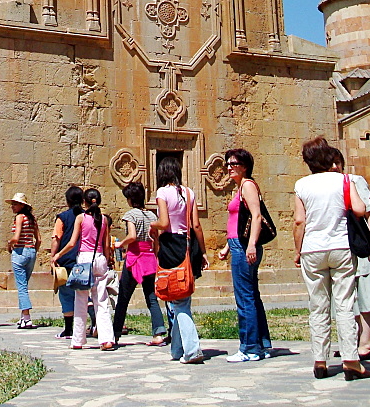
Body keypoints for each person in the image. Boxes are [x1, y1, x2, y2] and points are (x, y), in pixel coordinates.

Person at [293, 136, 370, 381]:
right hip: (340, 246)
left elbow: (299, 221)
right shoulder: (344, 180)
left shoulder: (302, 185)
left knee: (318, 305)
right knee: (345, 303)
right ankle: (350, 361)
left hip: (312, 248)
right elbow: (360, 209)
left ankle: (320, 360)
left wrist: (298, 251)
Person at [151, 155, 210, 364]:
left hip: (170, 246)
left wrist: (153, 225)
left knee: (179, 301)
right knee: (181, 296)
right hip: (187, 245)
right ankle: (177, 349)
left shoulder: (162, 193)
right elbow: (196, 225)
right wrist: (202, 251)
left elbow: (164, 222)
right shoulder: (189, 193)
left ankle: (192, 350)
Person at [217, 148, 272, 361]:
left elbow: (256, 216)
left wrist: (250, 245)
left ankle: (249, 348)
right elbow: (239, 223)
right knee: (252, 295)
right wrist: (227, 247)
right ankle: (262, 344)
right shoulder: (239, 187)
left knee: (244, 297)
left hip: (244, 247)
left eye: (234, 164)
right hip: (237, 244)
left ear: (245, 166)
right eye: (228, 164)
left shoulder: (247, 185)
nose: (229, 167)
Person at [329, 147, 370, 359]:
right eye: (330, 163)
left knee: (366, 291)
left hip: (361, 244)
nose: (334, 167)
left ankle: (368, 341)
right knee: (348, 296)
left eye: (337, 162)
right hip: (342, 247)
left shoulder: (354, 180)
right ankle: (356, 339)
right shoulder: (328, 186)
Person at [51, 187, 116, 351]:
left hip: (84, 260)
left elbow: (73, 243)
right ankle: (106, 339)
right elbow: (106, 244)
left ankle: (78, 339)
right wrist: (109, 260)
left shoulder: (81, 218)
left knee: (80, 300)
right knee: (101, 301)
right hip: (100, 258)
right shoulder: (104, 220)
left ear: (84, 202)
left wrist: (58, 254)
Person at [112, 181, 166, 346]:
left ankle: (115, 333)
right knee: (151, 296)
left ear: (130, 199)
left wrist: (121, 244)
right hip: (149, 256)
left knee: (123, 297)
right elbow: (156, 238)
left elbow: (133, 236)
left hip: (134, 257)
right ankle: (158, 332)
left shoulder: (131, 215)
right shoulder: (152, 216)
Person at [50, 185, 84, 339]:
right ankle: (91, 325)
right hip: (83, 259)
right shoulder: (88, 216)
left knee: (65, 294)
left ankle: (69, 329)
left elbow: (56, 238)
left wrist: (53, 256)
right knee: (84, 294)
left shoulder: (62, 217)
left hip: (66, 259)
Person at [6, 192, 41, 328]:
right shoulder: (32, 219)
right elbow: (38, 239)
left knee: (21, 287)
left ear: (22, 205)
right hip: (31, 251)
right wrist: (33, 250)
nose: (13, 207)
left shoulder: (20, 217)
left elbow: (16, 237)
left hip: (20, 252)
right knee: (23, 285)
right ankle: (22, 316)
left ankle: (26, 317)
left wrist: (9, 244)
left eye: (15, 204)